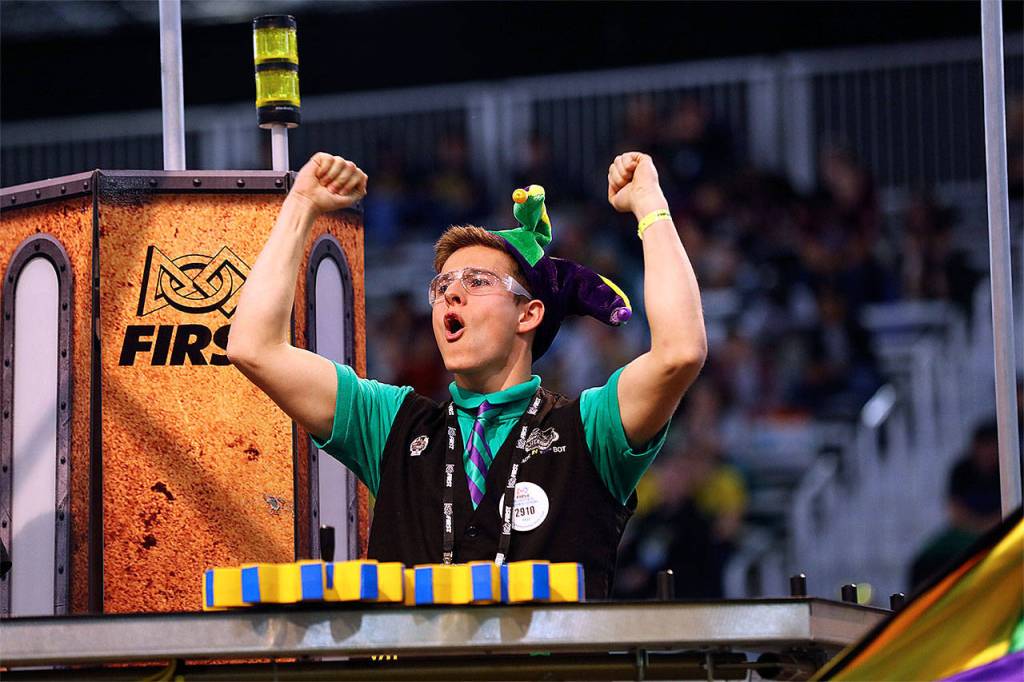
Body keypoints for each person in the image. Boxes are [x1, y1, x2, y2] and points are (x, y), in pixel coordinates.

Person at [227, 151, 707, 598]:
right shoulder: (390, 424)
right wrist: (302, 205)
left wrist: (650, 205)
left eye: (478, 282)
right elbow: (254, 347)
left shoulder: (592, 427)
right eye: (442, 285)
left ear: (530, 314)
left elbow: (680, 351)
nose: (451, 295)